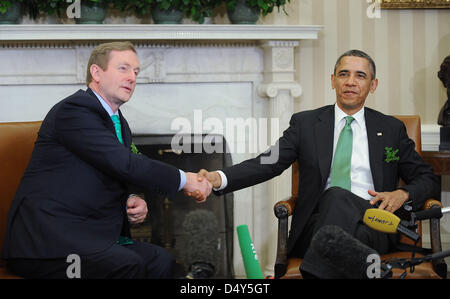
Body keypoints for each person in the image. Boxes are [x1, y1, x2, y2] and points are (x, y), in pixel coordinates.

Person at [197, 49, 440, 278]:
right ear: (333, 80)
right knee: (335, 197)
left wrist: (402, 193)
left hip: (373, 223)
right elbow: (268, 163)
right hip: (316, 224)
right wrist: (220, 178)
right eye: (343, 74)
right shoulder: (306, 124)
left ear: (372, 85)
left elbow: (427, 178)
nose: (351, 82)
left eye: (360, 76)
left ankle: (315, 273)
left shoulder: (389, 129)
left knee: (342, 211)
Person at [2, 41, 212, 279]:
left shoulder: (118, 121)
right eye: (123, 68)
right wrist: (185, 180)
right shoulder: (74, 111)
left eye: (136, 71)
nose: (132, 77)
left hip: (87, 237)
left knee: (161, 261)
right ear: (96, 72)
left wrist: (130, 199)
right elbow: (125, 163)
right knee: (127, 264)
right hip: (44, 244)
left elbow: (113, 169)